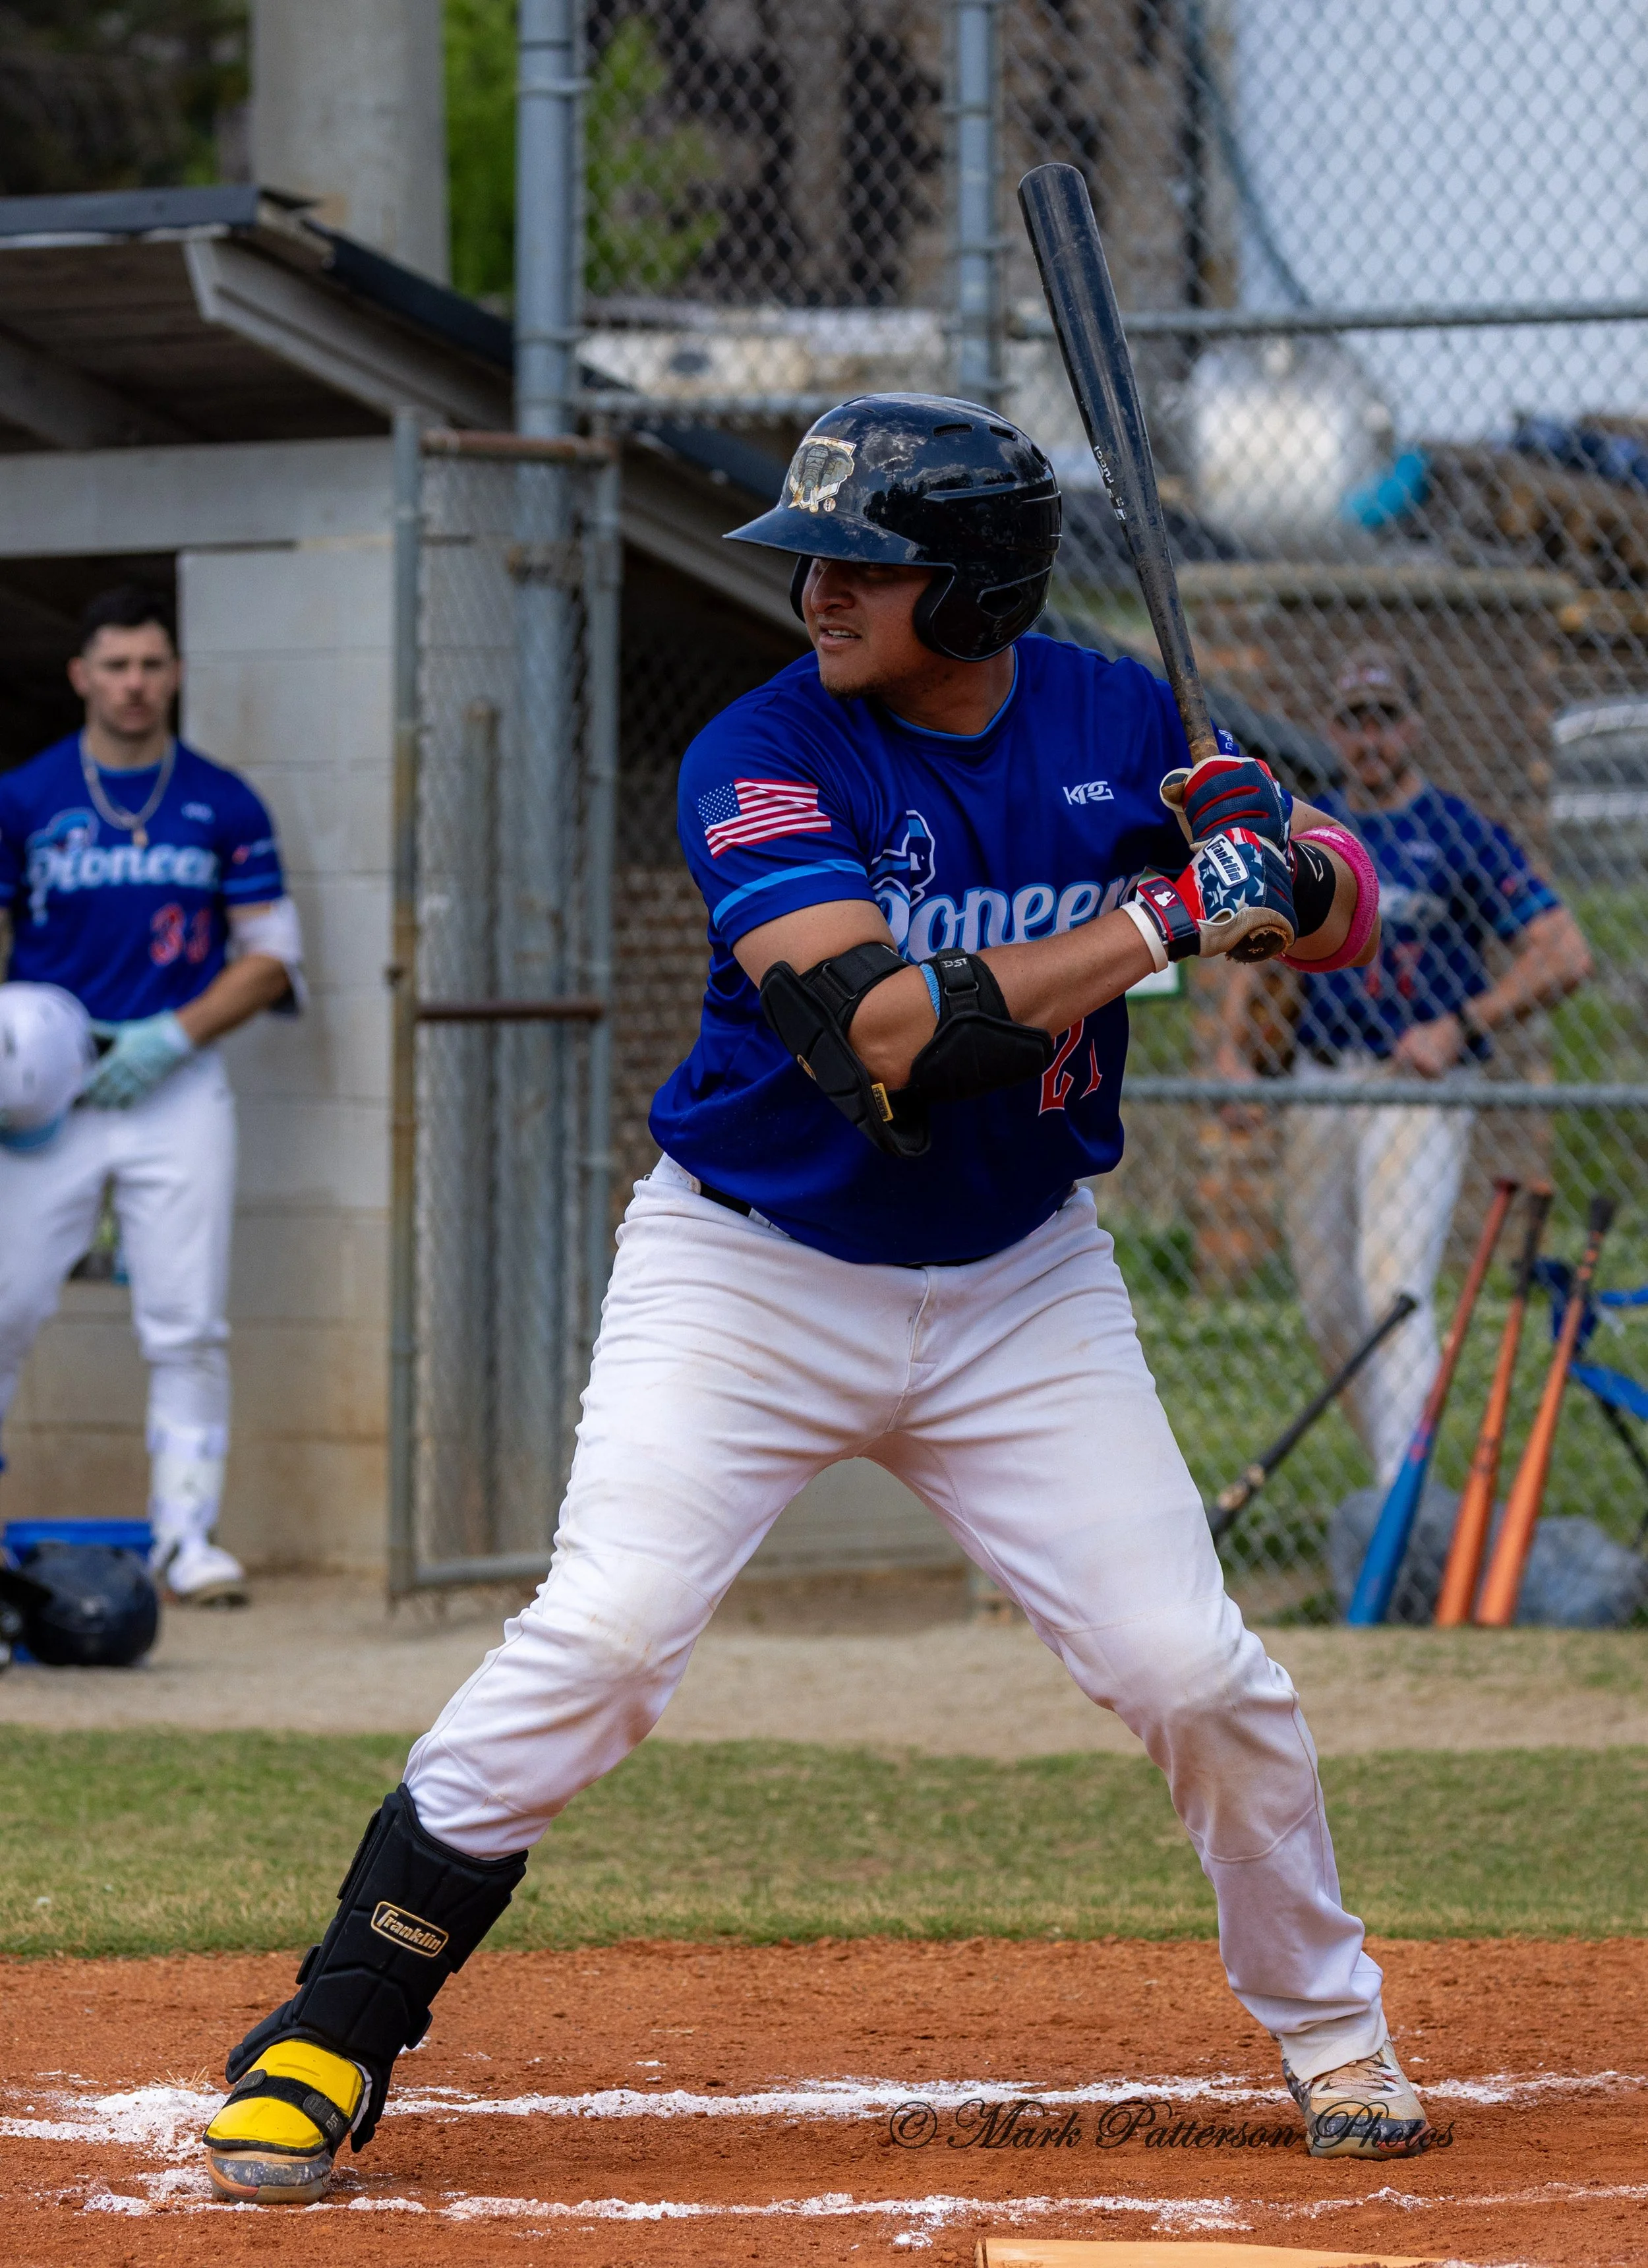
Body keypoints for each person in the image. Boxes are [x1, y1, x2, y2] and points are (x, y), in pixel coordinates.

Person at [198, 394, 1418, 2208]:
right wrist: (1173, 919)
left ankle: (1335, 2036)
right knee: (606, 1640)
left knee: (1190, 1670)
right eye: (817, 558)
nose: (819, 590)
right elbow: (883, 1037)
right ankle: (332, 2028)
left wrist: (1277, 858)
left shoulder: (1117, 717)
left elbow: (1347, 921)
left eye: (865, 563)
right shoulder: (757, 755)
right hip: (750, 1267)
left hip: (1019, 1287)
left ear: (979, 589)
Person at [1216, 647, 1592, 1487]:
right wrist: (1233, 1056)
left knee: (1393, 1280)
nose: (1369, 736)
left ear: (1415, 726)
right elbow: (1251, 944)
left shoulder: (1458, 833)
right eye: (1353, 719)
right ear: (1332, 731)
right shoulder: (1309, 831)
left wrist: (1463, 1024)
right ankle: (1399, 1471)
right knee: (1328, 1301)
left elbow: (1564, 952)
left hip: (1413, 1085)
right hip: (1320, 1077)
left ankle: (1401, 1500)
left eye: (1385, 717)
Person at [0, 584, 305, 1605]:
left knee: (185, 1322)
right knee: (3, 1310)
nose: (135, 685)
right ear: (82, 675)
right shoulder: (27, 796)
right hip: (48, 1095)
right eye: (116, 666)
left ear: (175, 674)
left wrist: (172, 1034)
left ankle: (186, 1539)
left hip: (173, 1085)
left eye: (152, 665)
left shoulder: (222, 800)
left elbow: (271, 958)